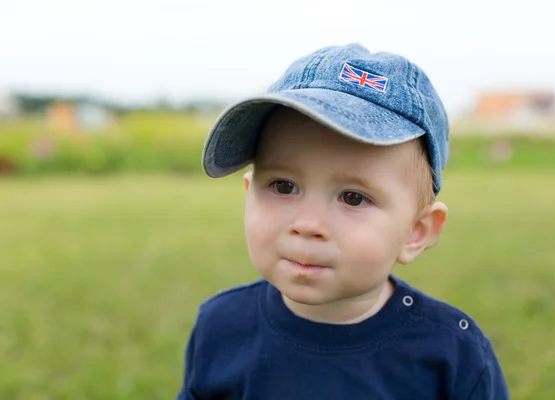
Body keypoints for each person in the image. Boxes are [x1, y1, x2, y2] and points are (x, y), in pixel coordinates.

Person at [177, 43, 510, 399]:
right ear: (249, 193)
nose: (307, 224)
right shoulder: (220, 327)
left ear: (416, 232)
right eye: (283, 186)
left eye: (353, 197)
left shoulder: (452, 355)